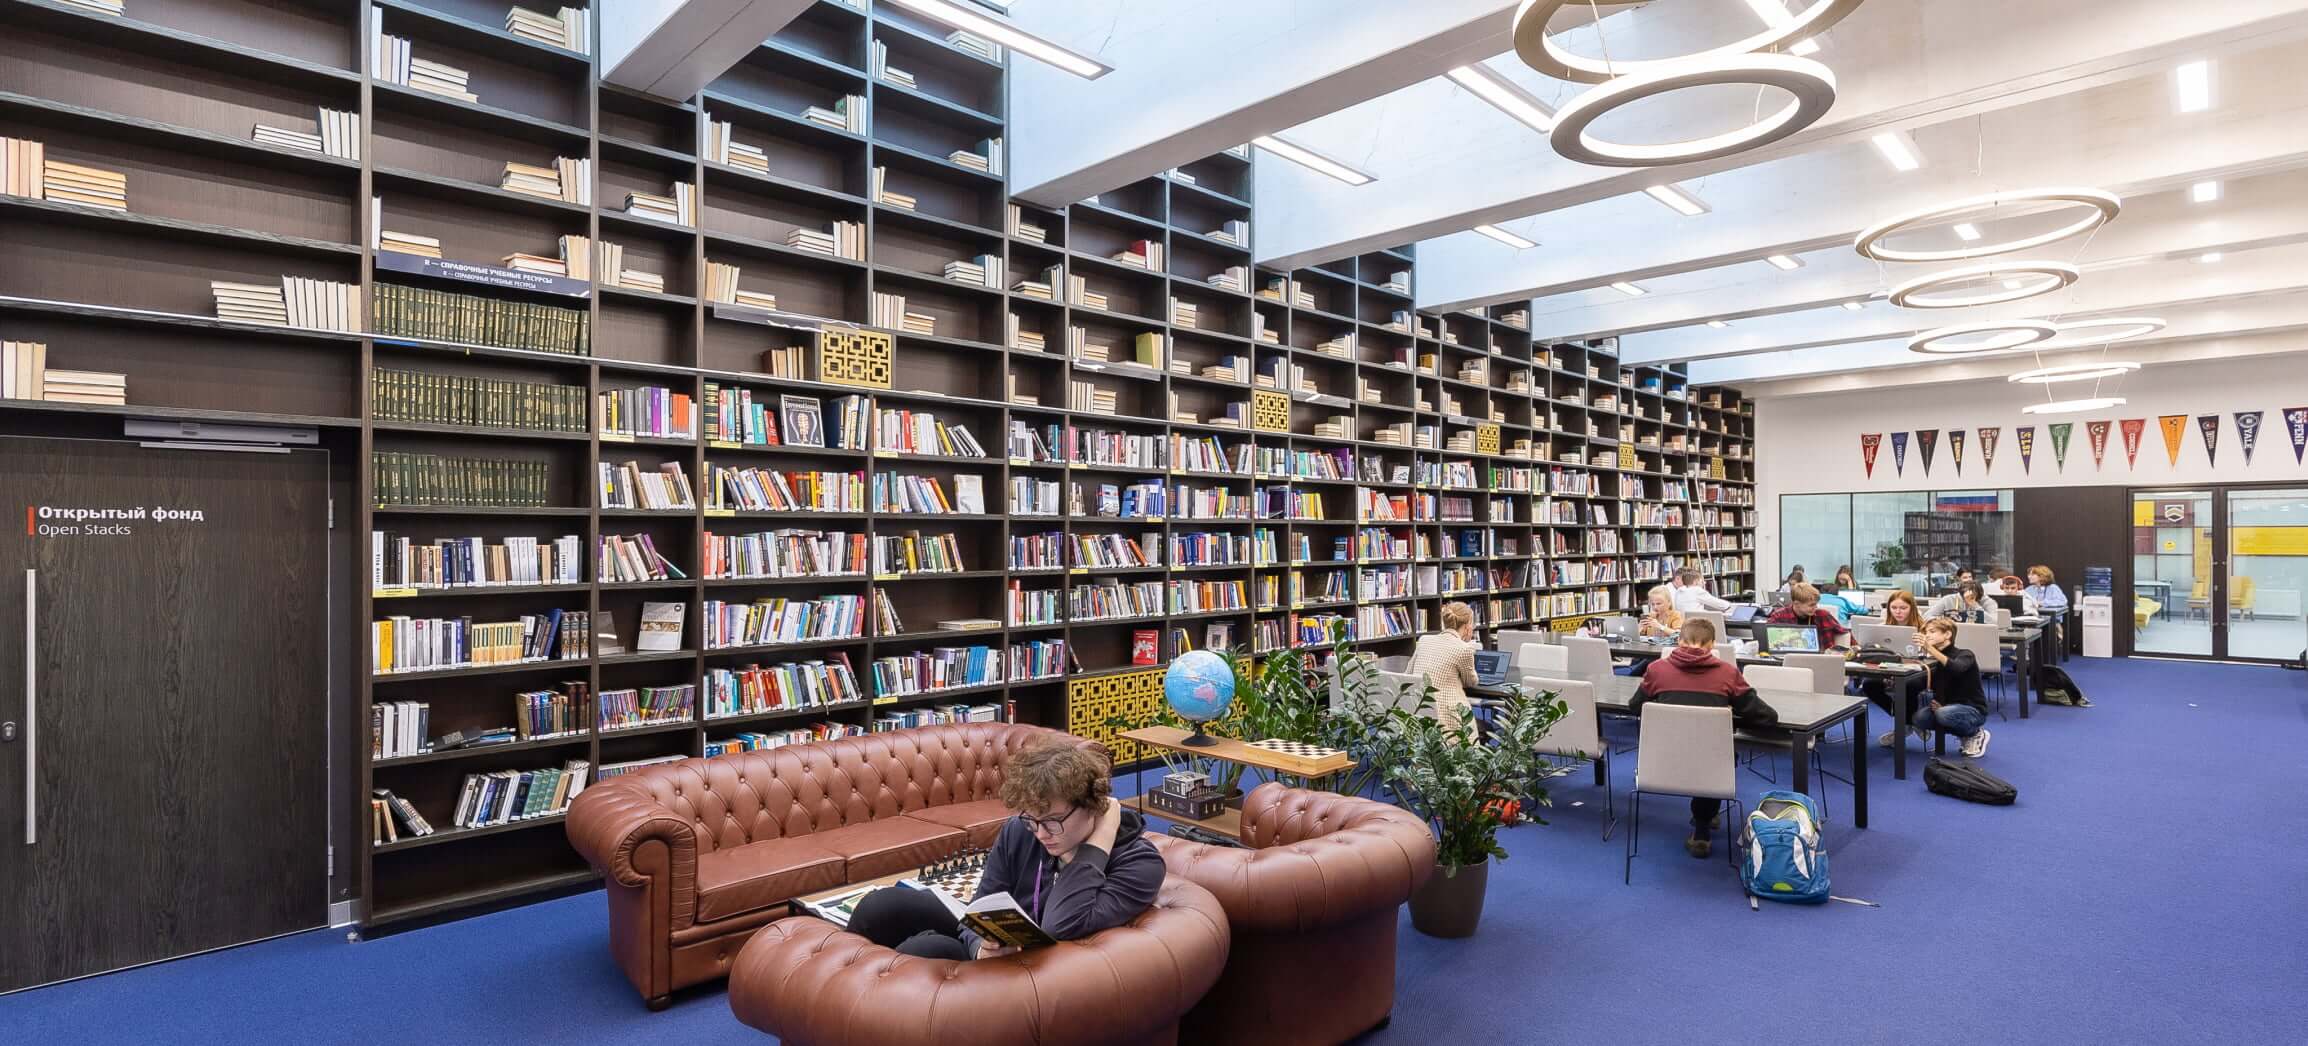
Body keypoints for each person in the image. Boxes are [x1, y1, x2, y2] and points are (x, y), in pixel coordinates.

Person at [844, 740, 1165, 960]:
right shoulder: (1021, 830)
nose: (1041, 834)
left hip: (1044, 969)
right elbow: (980, 906)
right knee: (881, 905)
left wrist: (1099, 843)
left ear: (1094, 806)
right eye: (1032, 820)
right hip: (1001, 949)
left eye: (1053, 822)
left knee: (927, 950)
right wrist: (978, 947)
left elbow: (1060, 924)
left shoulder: (1141, 864)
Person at [1630, 618, 1777, 859]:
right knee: (1715, 752)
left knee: (1696, 748)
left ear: (1679, 642)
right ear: (1712, 645)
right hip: (1712, 766)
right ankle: (1702, 828)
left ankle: (1705, 819)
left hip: (1661, 761)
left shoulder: (1656, 670)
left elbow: (1636, 707)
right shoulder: (1728, 673)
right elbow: (1765, 716)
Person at [1909, 616, 1991, 757]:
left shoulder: (1965, 654)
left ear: (1947, 634)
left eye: (1932, 631)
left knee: (1943, 714)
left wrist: (1930, 649)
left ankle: (1975, 733)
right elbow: (1921, 682)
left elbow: (1956, 668)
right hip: (1945, 708)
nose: (1927, 635)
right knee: (1919, 718)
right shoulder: (1932, 661)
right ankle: (1962, 734)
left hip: (1973, 709)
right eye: (1926, 632)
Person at [1409, 600, 1481, 732]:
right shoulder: (1464, 649)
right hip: (1448, 720)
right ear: (1467, 627)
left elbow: (1409, 672)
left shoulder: (1424, 640)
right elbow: (1471, 681)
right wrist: (1465, 643)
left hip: (1419, 710)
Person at [1765, 582, 1851, 648]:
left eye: (1816, 604)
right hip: (1789, 658)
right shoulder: (1779, 616)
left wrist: (1855, 649)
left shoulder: (1823, 615)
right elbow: (1767, 638)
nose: (1816, 607)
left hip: (1821, 659)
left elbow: (1844, 632)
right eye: (1811, 605)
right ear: (1797, 604)